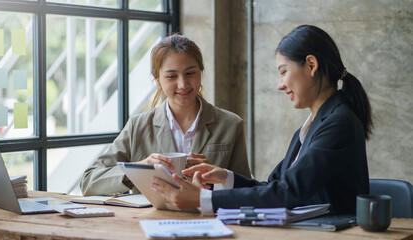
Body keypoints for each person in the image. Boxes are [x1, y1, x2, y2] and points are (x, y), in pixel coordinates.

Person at [151, 25, 373, 215]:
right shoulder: (309, 128)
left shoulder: (338, 122)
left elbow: (287, 192)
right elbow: (273, 186)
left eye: (283, 72)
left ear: (311, 65)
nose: (280, 84)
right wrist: (225, 177)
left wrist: (202, 200)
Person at [80, 34, 251, 196]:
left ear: (201, 71)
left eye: (190, 73)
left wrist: (216, 178)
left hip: (211, 220)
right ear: (157, 79)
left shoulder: (230, 124)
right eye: (171, 76)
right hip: (150, 222)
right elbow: (89, 181)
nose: (183, 84)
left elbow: (247, 190)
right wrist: (138, 169)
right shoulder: (138, 126)